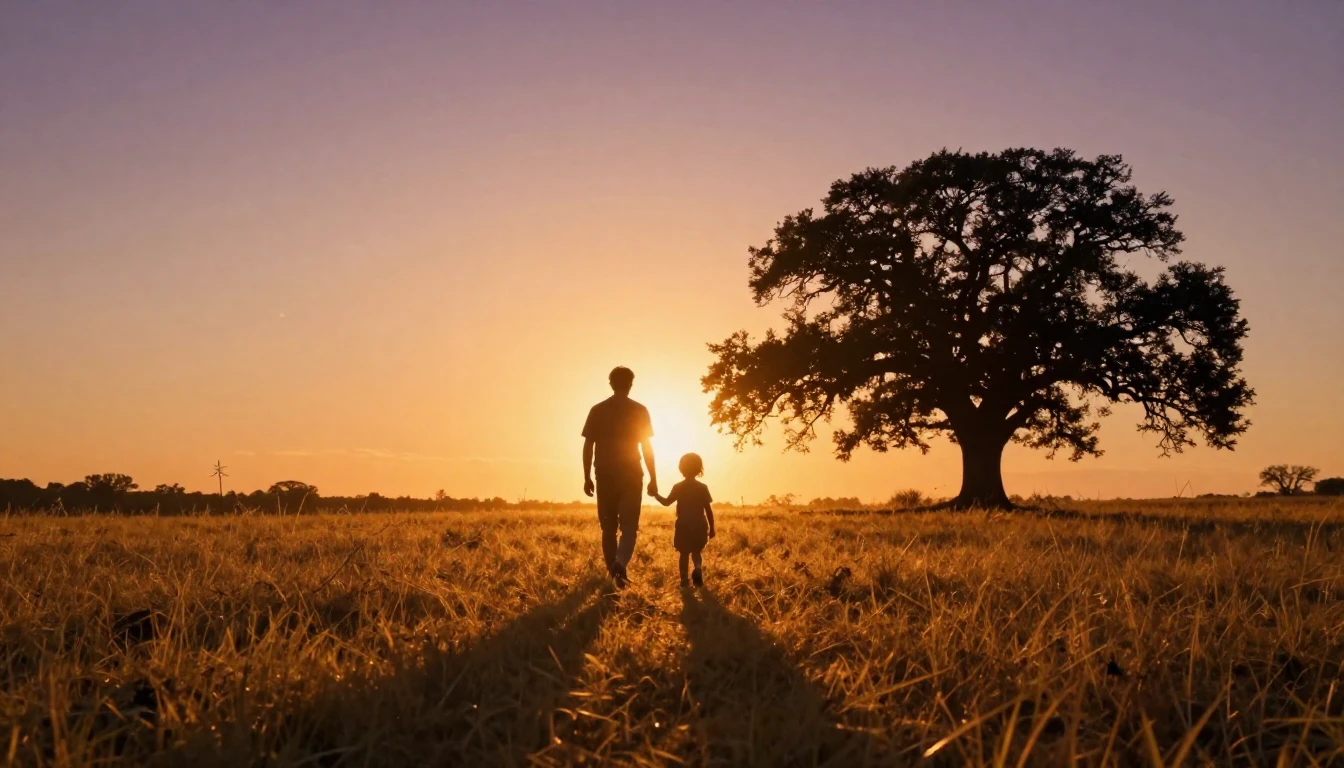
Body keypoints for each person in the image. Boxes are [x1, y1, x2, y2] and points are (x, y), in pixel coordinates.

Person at [582, 366, 657, 587]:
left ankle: (614, 575)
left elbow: (588, 446)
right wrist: (654, 477)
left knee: (608, 528)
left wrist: (587, 476)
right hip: (631, 473)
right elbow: (646, 446)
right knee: (629, 527)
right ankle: (621, 563)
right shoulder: (639, 410)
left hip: (604, 474)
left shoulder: (597, 410)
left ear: (611, 384)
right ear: (631, 384)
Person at [653, 452, 716, 588]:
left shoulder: (679, 487)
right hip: (700, 524)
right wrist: (712, 527)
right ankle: (698, 567)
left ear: (681, 468)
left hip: (683, 525)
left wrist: (655, 495)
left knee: (684, 553)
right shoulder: (702, 487)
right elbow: (708, 510)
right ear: (699, 469)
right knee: (696, 551)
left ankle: (684, 580)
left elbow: (666, 502)